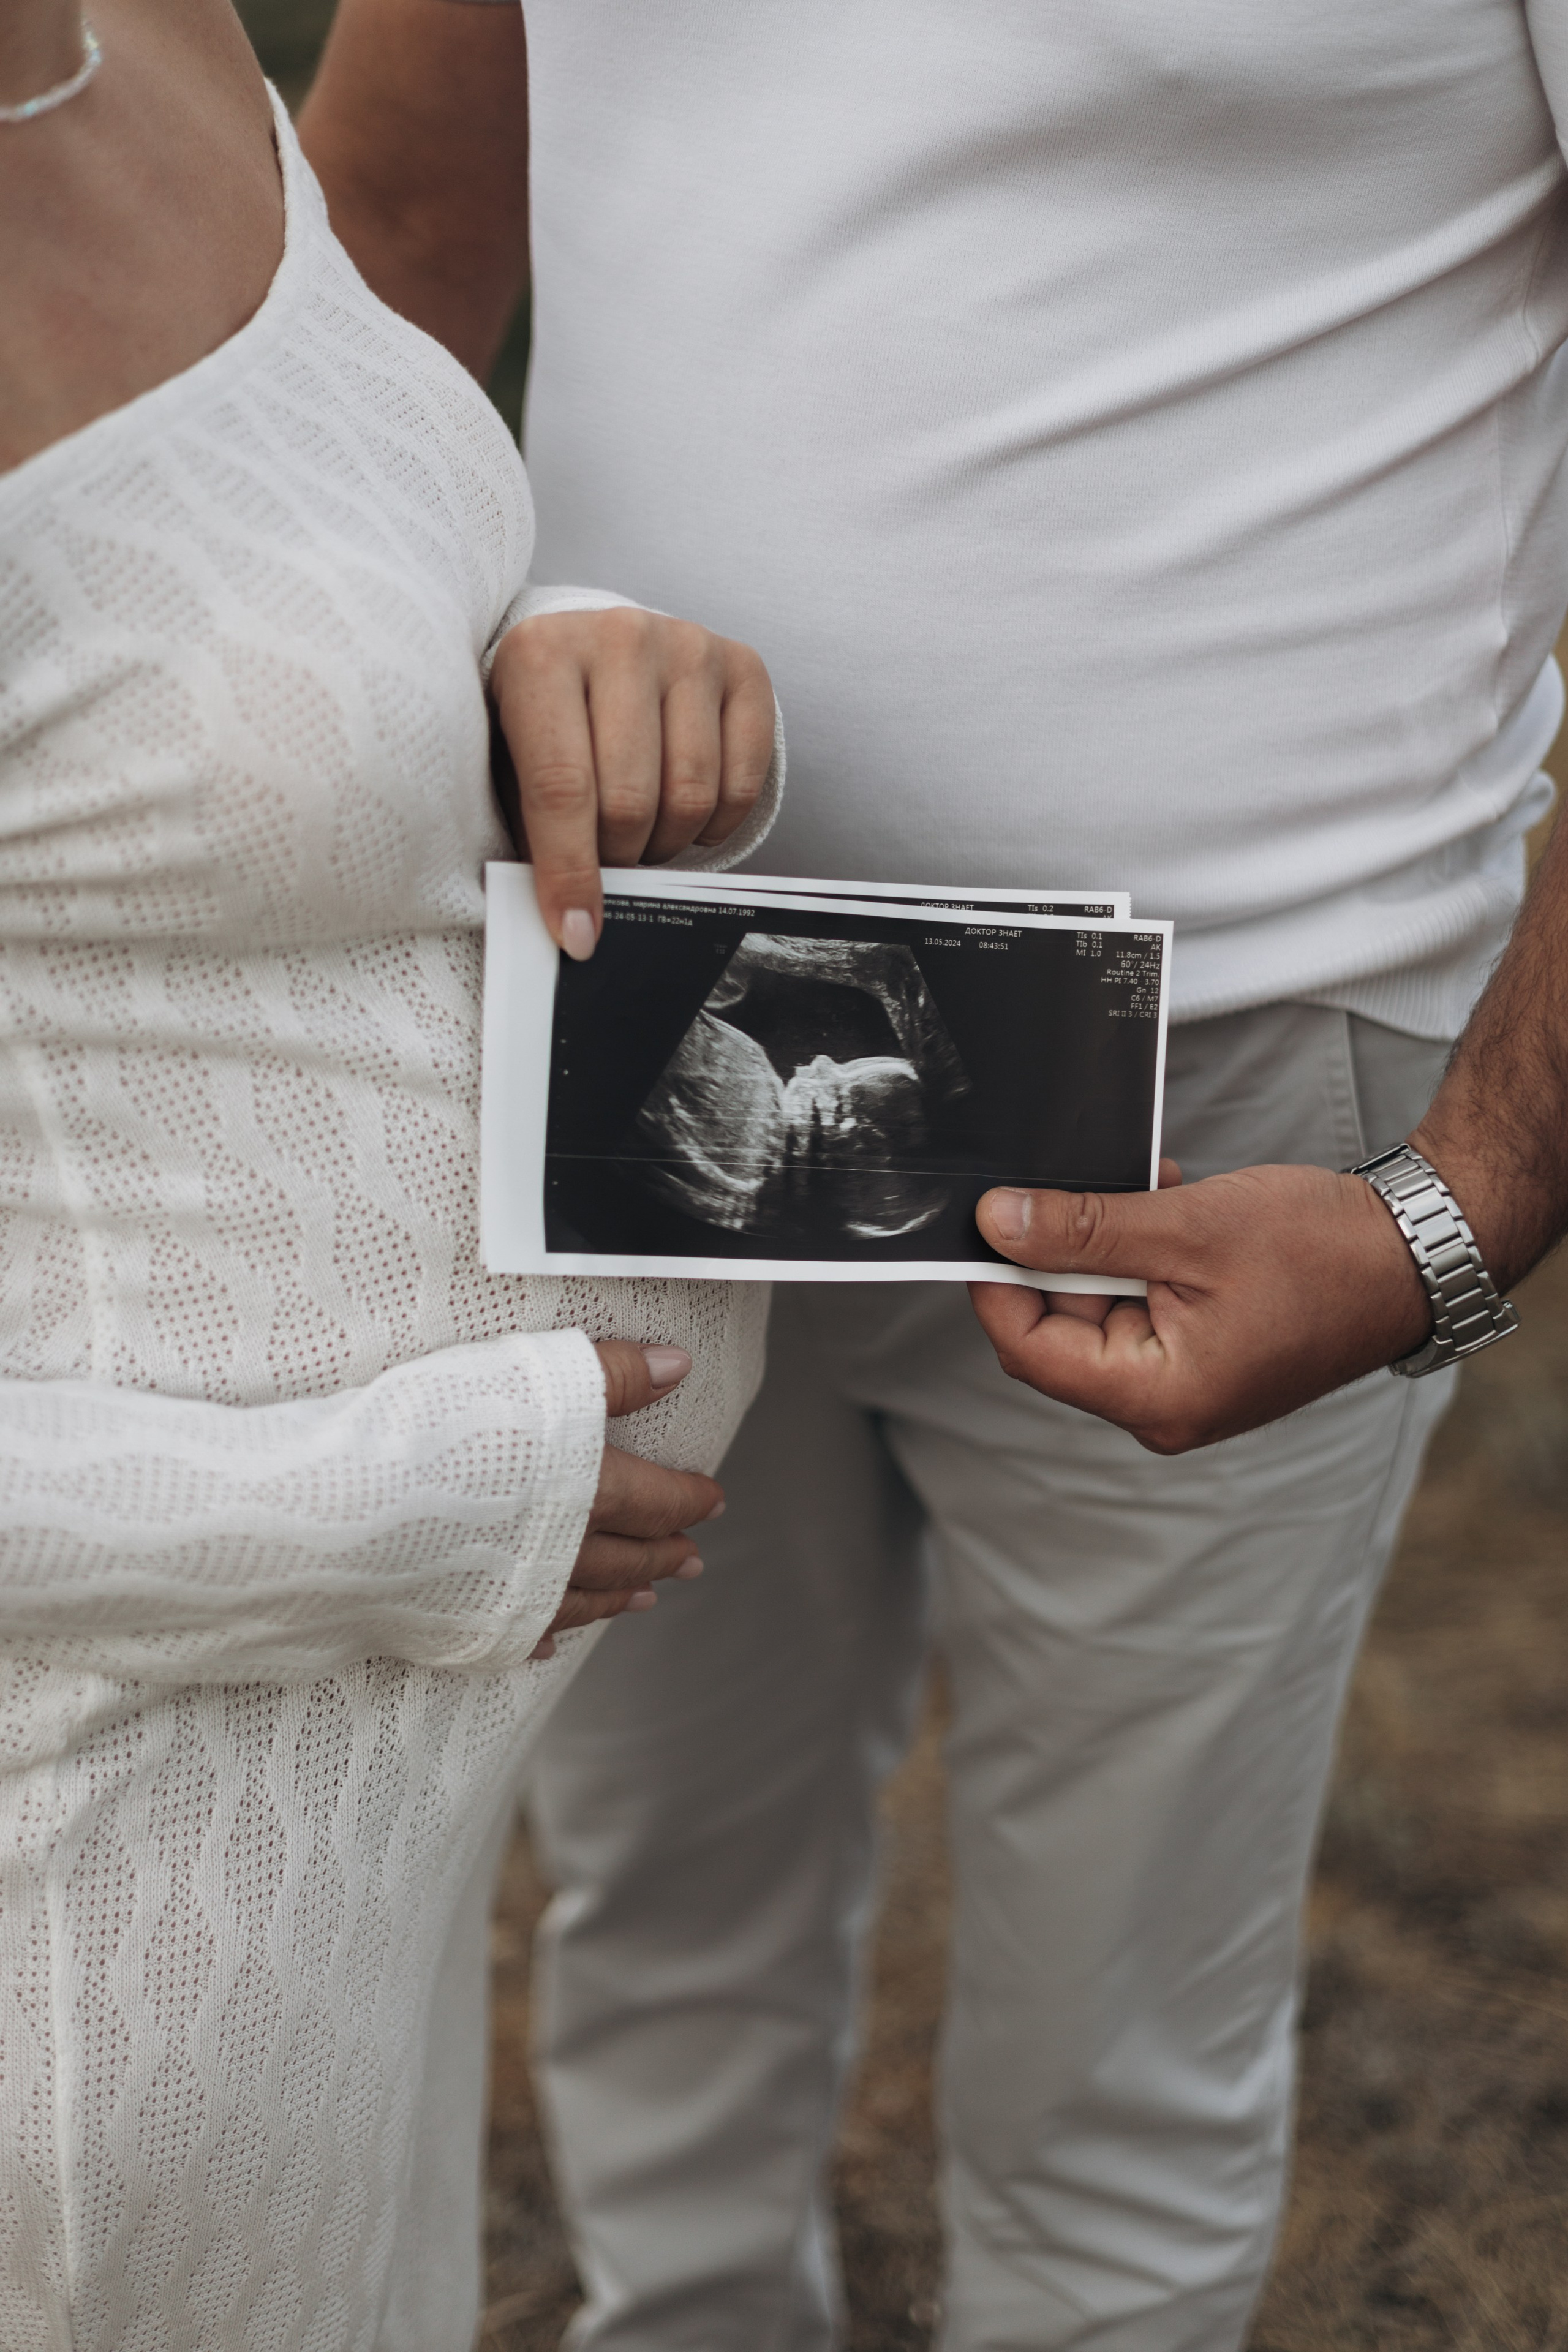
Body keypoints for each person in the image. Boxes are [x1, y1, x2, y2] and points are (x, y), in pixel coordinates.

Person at [300, 4, 1568, 2346]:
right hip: (633, 1015)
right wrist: (445, 674)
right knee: (658, 1920)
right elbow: (380, 235)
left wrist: (1453, 1216)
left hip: (1247, 1089)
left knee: (1120, 2063)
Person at [0, 2, 780, 2346]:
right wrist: (377, 1513)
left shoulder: (138, 33)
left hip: (344, 1810)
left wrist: (537, 662)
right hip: (81, 1869)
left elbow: (216, 623)